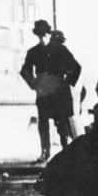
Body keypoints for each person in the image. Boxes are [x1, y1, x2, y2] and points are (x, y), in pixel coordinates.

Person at [20, 21, 82, 161]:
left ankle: (66, 151)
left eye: (45, 35)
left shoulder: (60, 50)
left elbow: (76, 67)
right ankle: (45, 152)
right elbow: (25, 70)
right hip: (43, 94)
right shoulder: (33, 52)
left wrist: (67, 83)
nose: (42, 38)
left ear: (49, 34)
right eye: (39, 36)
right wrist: (33, 83)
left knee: (62, 123)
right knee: (43, 123)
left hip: (59, 93)